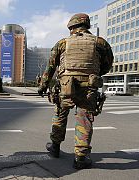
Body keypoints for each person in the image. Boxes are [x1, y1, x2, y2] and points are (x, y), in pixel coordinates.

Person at [38, 13, 113, 169]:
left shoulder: (62, 43)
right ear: (87, 26)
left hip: (65, 86)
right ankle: (80, 157)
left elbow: (50, 67)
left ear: (71, 26)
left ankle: (55, 147)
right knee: (84, 119)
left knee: (60, 114)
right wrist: (94, 73)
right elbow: (107, 65)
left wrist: (43, 86)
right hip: (89, 88)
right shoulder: (100, 43)